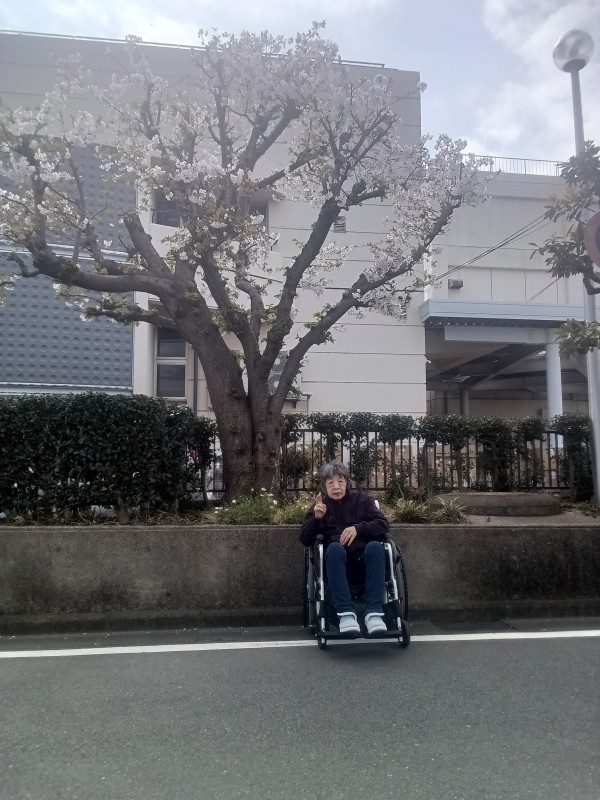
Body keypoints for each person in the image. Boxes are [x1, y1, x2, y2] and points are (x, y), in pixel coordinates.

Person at [300, 461, 390, 637]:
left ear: (347, 482)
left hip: (365, 562)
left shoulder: (362, 501)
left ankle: (374, 613)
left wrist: (359, 528)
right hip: (336, 566)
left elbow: (383, 524)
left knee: (375, 547)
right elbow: (305, 539)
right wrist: (316, 519)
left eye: (340, 482)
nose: (336, 487)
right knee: (334, 548)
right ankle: (346, 613)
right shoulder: (321, 506)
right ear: (325, 486)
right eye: (331, 483)